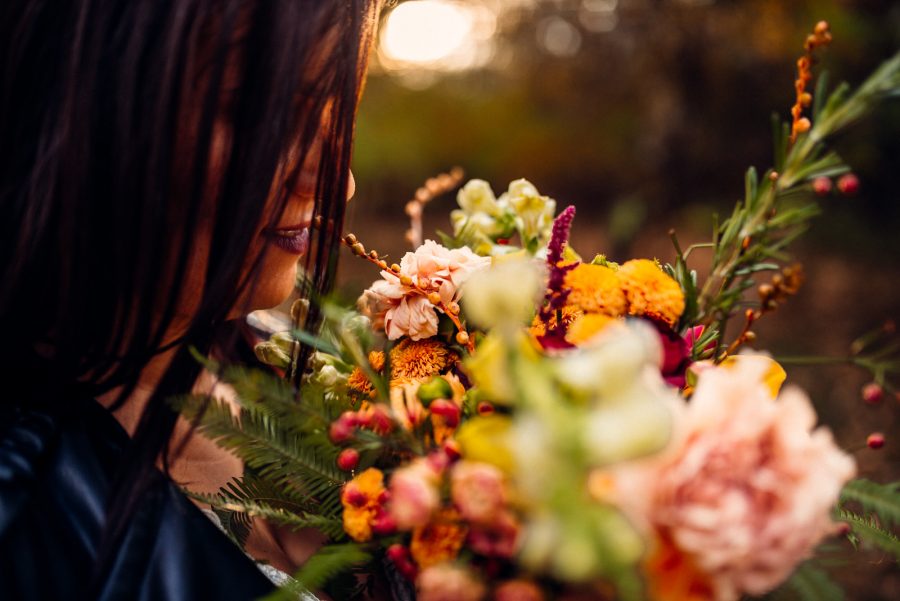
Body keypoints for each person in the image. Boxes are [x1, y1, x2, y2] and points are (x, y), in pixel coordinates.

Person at [0, 1, 380, 598]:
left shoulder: (321, 375)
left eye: (340, 114)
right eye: (264, 113)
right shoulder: (22, 514)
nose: (335, 177)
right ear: (78, 99)